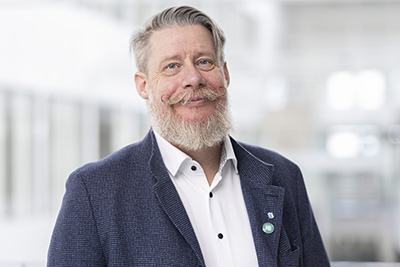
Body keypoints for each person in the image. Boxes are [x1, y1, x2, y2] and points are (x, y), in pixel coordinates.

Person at [47, 6, 330, 267]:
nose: (193, 78)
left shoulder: (284, 177)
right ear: (144, 85)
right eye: (172, 66)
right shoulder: (94, 192)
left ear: (225, 74)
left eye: (205, 61)